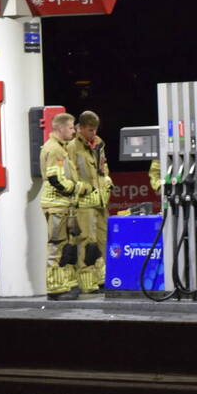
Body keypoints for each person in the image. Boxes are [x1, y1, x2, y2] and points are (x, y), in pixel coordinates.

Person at [40, 112, 91, 300]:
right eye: (71, 127)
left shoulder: (61, 148)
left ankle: (67, 285)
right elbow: (56, 179)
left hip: (64, 205)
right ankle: (55, 289)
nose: (73, 131)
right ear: (60, 128)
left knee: (67, 247)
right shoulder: (54, 149)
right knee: (57, 246)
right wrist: (78, 188)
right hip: (56, 205)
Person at [68, 110, 112, 293]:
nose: (93, 133)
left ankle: (101, 278)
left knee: (103, 240)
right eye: (90, 130)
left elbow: (104, 168)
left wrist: (108, 182)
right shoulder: (72, 147)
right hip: (84, 202)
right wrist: (79, 193)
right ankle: (87, 283)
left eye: (95, 130)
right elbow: (71, 175)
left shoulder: (99, 144)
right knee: (86, 242)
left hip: (101, 200)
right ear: (81, 128)